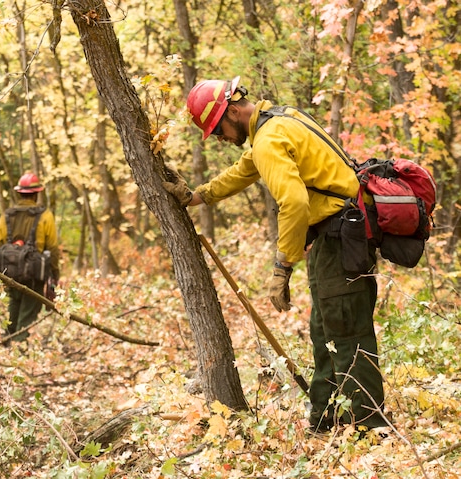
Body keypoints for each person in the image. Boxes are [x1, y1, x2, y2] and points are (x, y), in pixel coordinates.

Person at [163, 76, 388, 433]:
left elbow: (294, 203)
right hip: (336, 238)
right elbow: (244, 171)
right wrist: (197, 196)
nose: (219, 138)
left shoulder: (269, 138)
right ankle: (325, 419)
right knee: (324, 331)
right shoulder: (278, 121)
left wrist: (282, 267)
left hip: (342, 239)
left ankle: (369, 426)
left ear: (234, 111)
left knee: (346, 333)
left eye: (218, 128)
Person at [0, 172, 60, 343]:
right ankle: (19, 351)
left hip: (9, 274)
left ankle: (7, 348)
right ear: (37, 193)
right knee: (26, 318)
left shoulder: (7, 215)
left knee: (12, 312)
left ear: (19, 193)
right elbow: (52, 247)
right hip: (33, 276)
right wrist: (54, 275)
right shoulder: (45, 215)